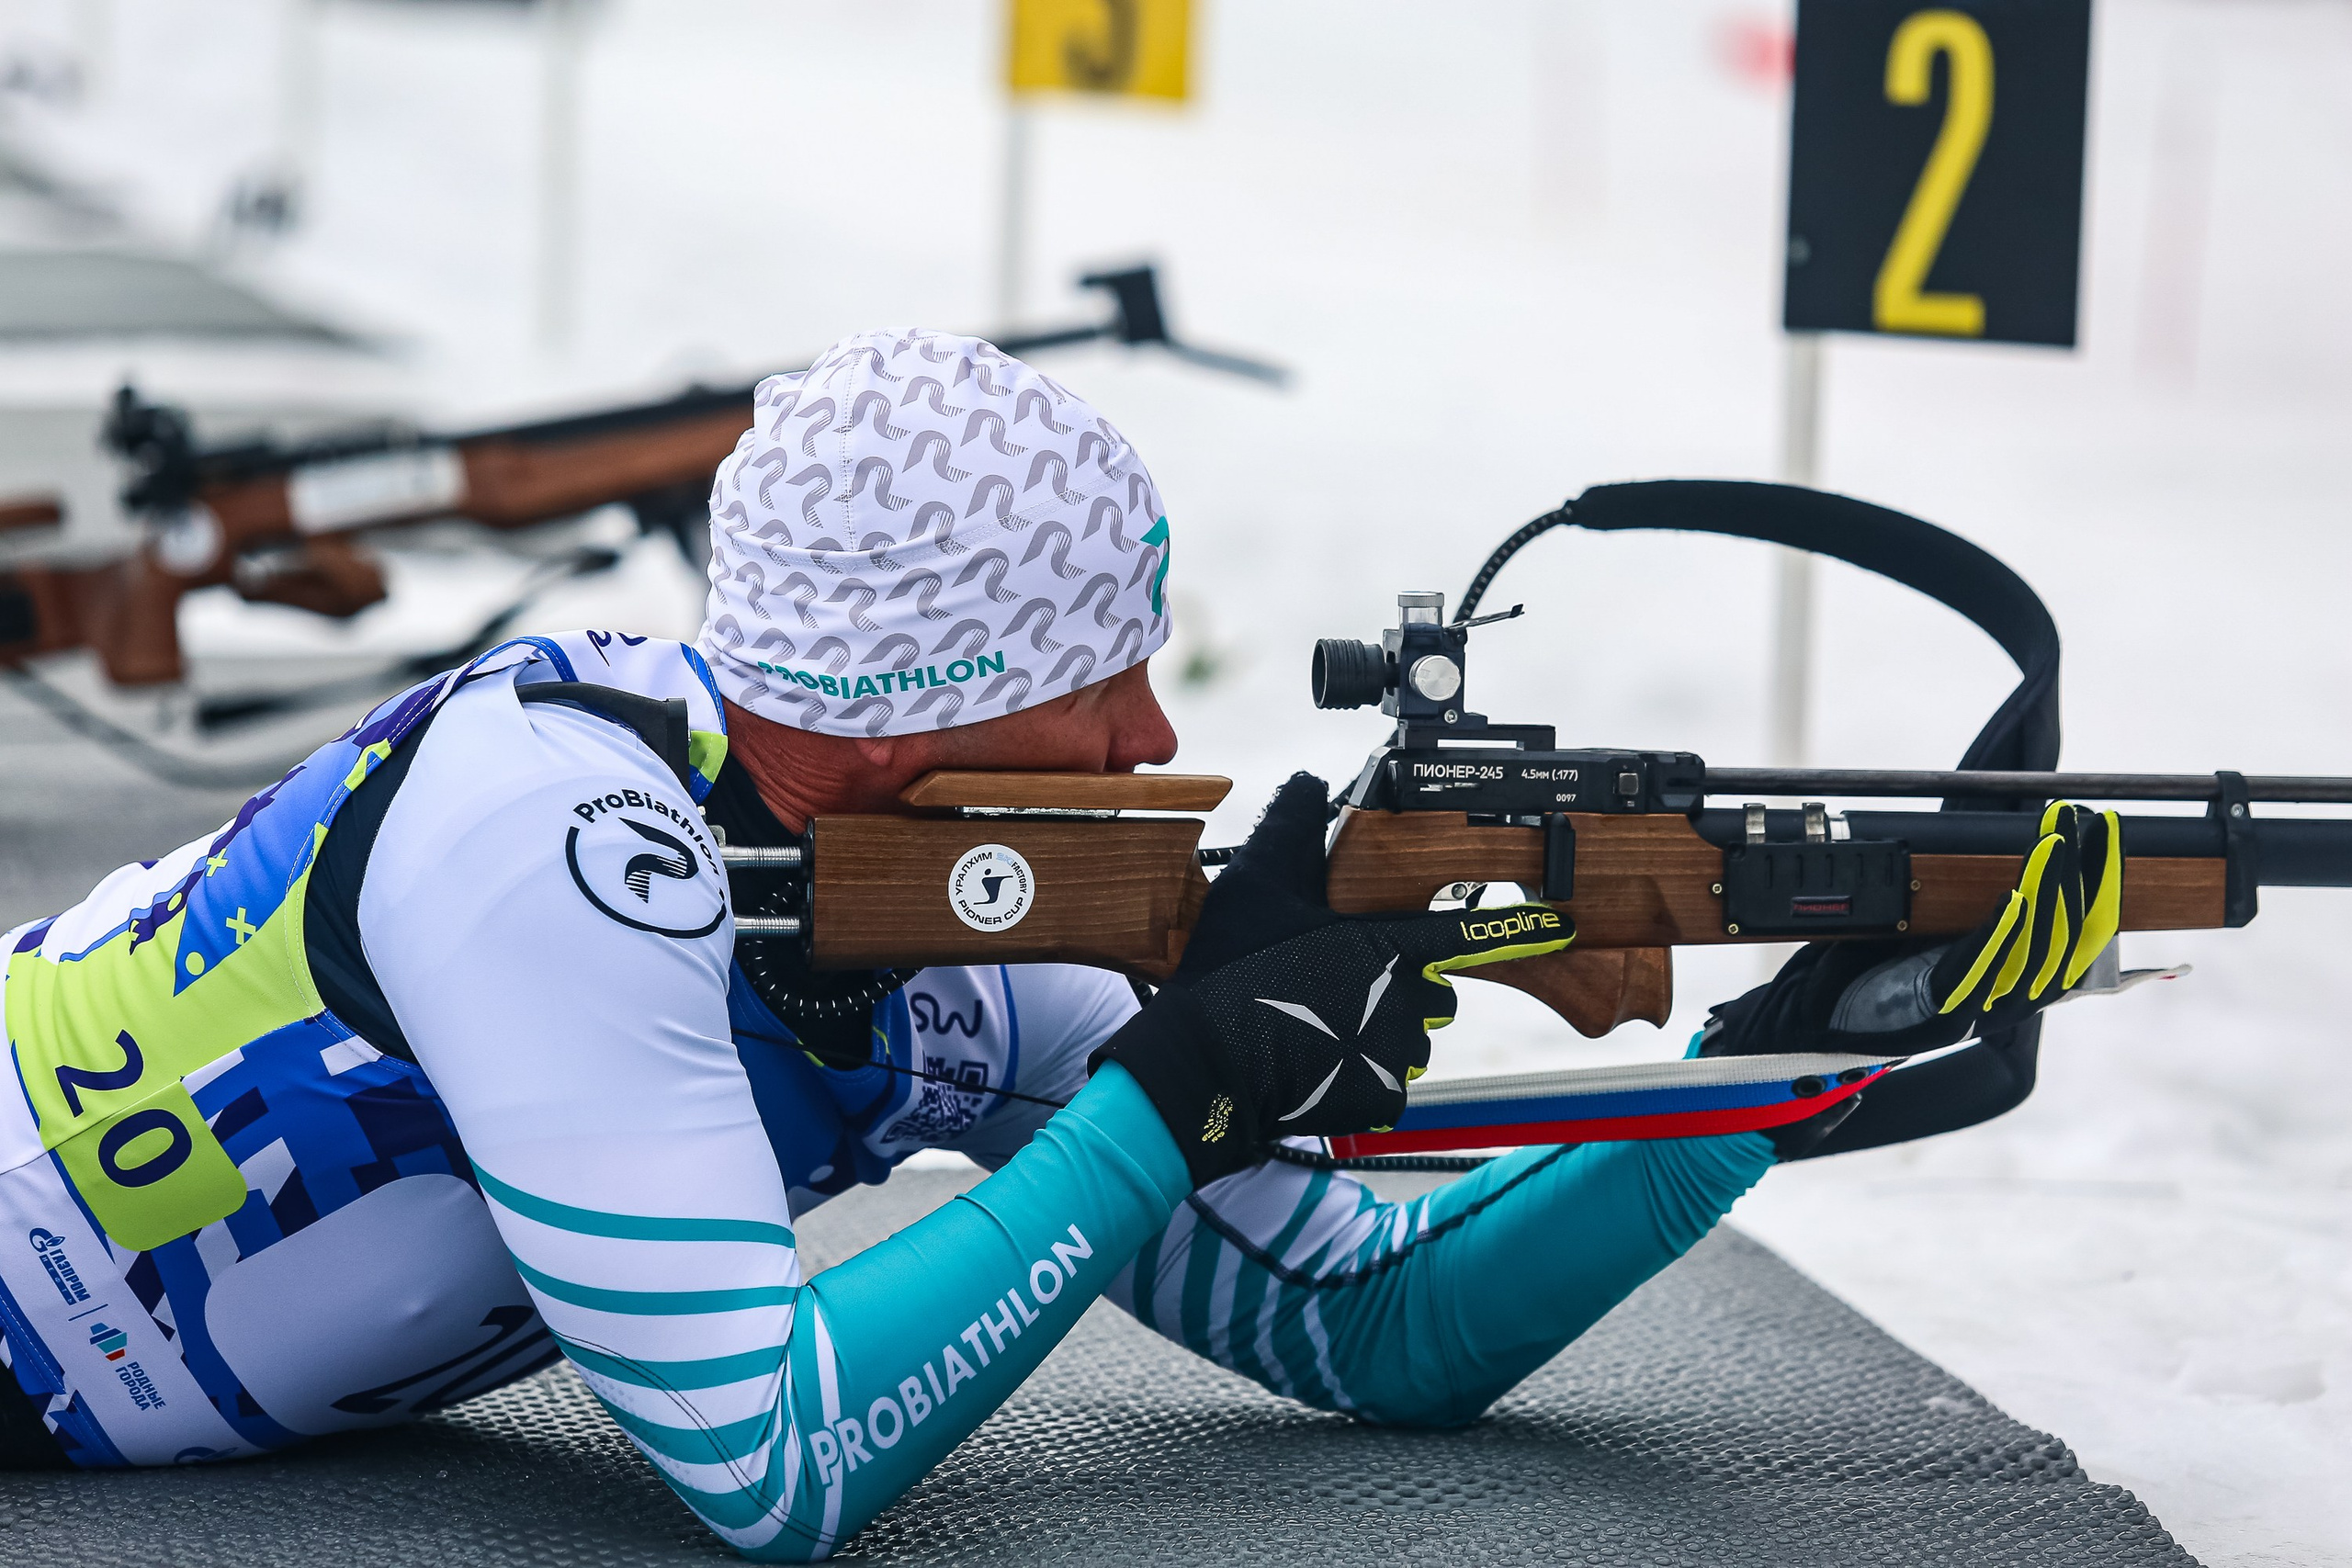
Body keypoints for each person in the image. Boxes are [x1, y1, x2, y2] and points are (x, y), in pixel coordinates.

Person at [0, 330, 2118, 1559]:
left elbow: (1382, 1330)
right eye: (1095, 680)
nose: (1152, 736)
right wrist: (1166, 1095)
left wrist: (1768, 1076)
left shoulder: (955, 914)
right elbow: (769, 1460)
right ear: (911, 690)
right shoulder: (548, 835)